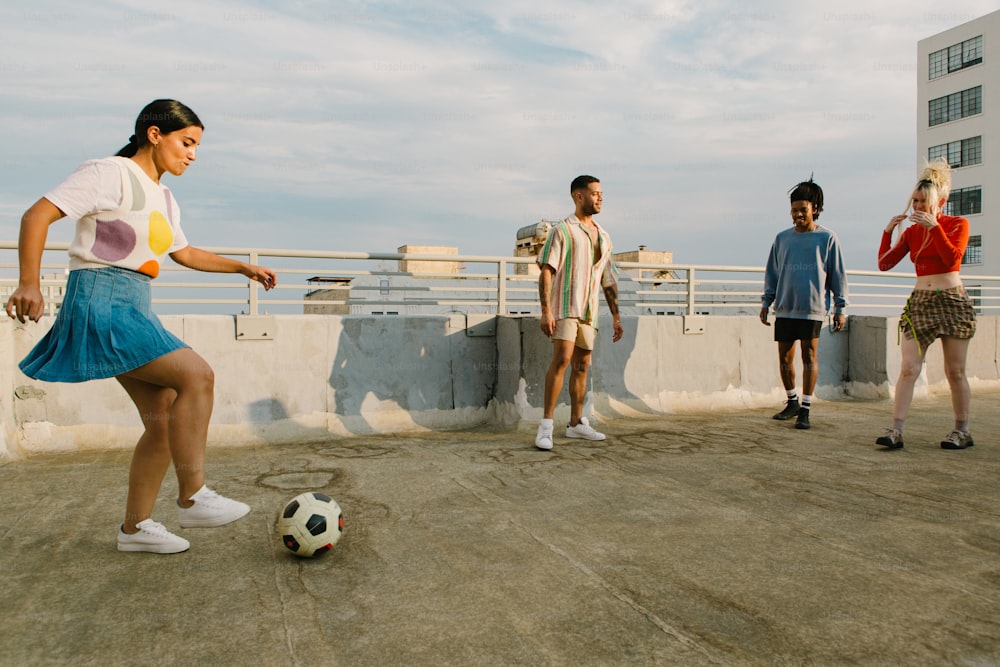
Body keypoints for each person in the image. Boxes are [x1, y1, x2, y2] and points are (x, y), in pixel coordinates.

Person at [4, 99, 278, 554]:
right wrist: (29, 282)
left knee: (165, 417)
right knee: (197, 375)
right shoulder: (109, 173)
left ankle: (135, 529)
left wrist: (242, 269)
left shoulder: (165, 197)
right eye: (186, 142)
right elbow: (37, 215)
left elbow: (185, 254)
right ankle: (193, 496)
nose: (193, 154)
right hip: (101, 299)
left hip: (134, 302)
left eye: (197, 147)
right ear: (155, 135)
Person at [874, 160, 976, 450]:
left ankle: (962, 430)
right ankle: (895, 429)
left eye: (923, 202)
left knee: (954, 371)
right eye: (914, 201)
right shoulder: (912, 232)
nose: (917, 207)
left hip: (952, 301)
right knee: (909, 367)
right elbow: (884, 264)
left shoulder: (958, 224)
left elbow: (952, 259)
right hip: (921, 302)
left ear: (939, 202)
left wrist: (935, 229)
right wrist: (888, 232)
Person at [534, 175, 623, 451]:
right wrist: (546, 311)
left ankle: (576, 424)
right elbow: (546, 271)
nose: (600, 198)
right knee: (561, 360)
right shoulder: (562, 230)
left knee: (582, 365)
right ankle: (545, 427)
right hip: (565, 307)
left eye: (601, 194)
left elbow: (608, 278)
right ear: (579, 196)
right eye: (595, 193)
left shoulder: (604, 236)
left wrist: (616, 316)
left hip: (590, 311)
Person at [760, 177, 848, 430]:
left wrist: (840, 309)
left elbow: (837, 274)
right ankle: (792, 402)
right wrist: (767, 302)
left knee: (809, 356)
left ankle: (806, 409)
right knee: (785, 358)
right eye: (794, 210)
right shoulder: (782, 239)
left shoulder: (827, 238)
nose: (798, 214)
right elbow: (772, 272)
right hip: (785, 307)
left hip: (813, 308)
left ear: (815, 209)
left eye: (803, 210)